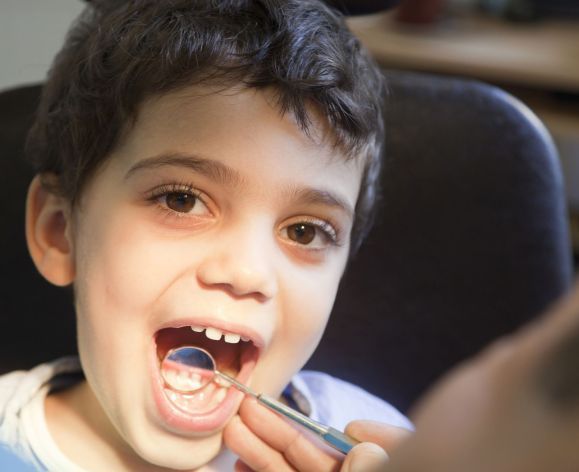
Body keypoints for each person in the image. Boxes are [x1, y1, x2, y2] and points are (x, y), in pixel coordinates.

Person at [0, 0, 412, 470]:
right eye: (181, 200)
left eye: (304, 231)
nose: (246, 272)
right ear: (60, 231)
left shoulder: (382, 446)